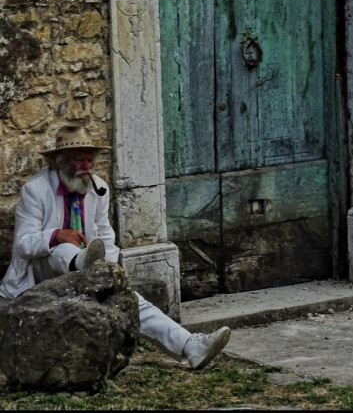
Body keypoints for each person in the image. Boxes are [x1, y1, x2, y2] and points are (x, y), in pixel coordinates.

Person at [0, 125, 231, 370]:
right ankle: (82, 261)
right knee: (62, 247)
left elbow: (106, 237)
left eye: (90, 160)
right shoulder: (34, 191)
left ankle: (189, 345)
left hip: (84, 275)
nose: (86, 166)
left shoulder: (98, 189)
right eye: (79, 160)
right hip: (41, 274)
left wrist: (108, 267)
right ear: (59, 161)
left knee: (128, 299)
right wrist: (56, 235)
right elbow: (24, 246)